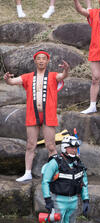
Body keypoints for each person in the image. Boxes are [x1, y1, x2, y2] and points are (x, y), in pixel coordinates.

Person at [3, 50, 69, 182]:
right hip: (32, 113)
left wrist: (66, 70)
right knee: (30, 145)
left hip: (48, 113)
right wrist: (7, 79)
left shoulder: (52, 75)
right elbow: (12, 82)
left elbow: (62, 76)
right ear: (35, 61)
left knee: (51, 145)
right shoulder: (28, 76)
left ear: (47, 61)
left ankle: (55, 173)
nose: (41, 60)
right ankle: (27, 172)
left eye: (43, 58)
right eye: (38, 58)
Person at [41, 135, 89, 223]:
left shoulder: (79, 164)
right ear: (64, 148)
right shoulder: (55, 162)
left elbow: (84, 182)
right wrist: (48, 200)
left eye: (76, 148)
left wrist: (86, 200)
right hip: (58, 201)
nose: (74, 150)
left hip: (73, 201)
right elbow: (45, 181)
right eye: (71, 148)